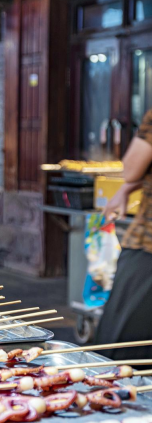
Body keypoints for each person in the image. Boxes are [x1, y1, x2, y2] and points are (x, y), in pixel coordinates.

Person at [97, 109, 152, 360]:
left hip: (147, 248)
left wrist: (127, 184)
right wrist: (126, 190)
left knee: (120, 353)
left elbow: (132, 168)